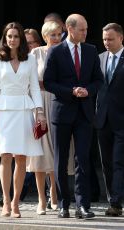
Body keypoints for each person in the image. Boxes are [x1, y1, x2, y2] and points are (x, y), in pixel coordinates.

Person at [43, 13, 103, 219]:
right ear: (70, 29)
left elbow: (98, 80)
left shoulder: (91, 50)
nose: (86, 33)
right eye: (82, 29)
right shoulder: (56, 51)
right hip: (62, 112)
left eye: (86, 29)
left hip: (84, 113)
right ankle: (63, 204)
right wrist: (71, 91)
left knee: (83, 160)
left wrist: (88, 90)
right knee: (60, 161)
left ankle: (82, 206)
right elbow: (49, 82)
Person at [0, 21, 46, 218]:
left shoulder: (29, 59)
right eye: (9, 36)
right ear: (5, 38)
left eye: (16, 36)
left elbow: (35, 88)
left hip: (23, 109)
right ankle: (5, 200)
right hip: (4, 110)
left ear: (21, 39)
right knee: (5, 156)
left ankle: (15, 202)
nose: (12, 39)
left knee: (21, 158)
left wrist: (39, 112)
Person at [26, 21, 62, 215]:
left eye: (59, 34)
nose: (56, 38)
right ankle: (41, 199)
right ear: (45, 36)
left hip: (58, 103)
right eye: (53, 35)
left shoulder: (64, 52)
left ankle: (54, 195)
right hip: (38, 105)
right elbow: (28, 80)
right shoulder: (35, 53)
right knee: (39, 153)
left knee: (56, 152)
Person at [95, 23, 124, 216]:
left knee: (118, 161)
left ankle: (116, 203)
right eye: (104, 39)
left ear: (121, 38)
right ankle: (112, 198)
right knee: (106, 163)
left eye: (110, 39)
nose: (106, 42)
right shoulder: (99, 59)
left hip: (122, 120)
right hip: (102, 120)